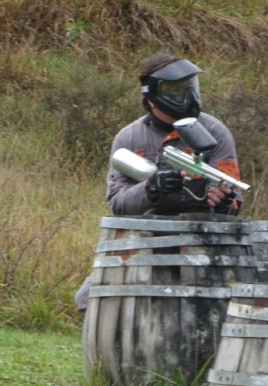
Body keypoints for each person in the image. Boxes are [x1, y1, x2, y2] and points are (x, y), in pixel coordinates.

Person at [74, 53, 243, 311]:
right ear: (152, 96)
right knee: (87, 298)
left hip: (203, 235)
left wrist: (223, 202)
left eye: (190, 87)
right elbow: (118, 204)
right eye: (176, 90)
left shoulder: (215, 132)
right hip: (145, 235)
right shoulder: (129, 139)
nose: (188, 97)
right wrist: (150, 188)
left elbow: (231, 192)